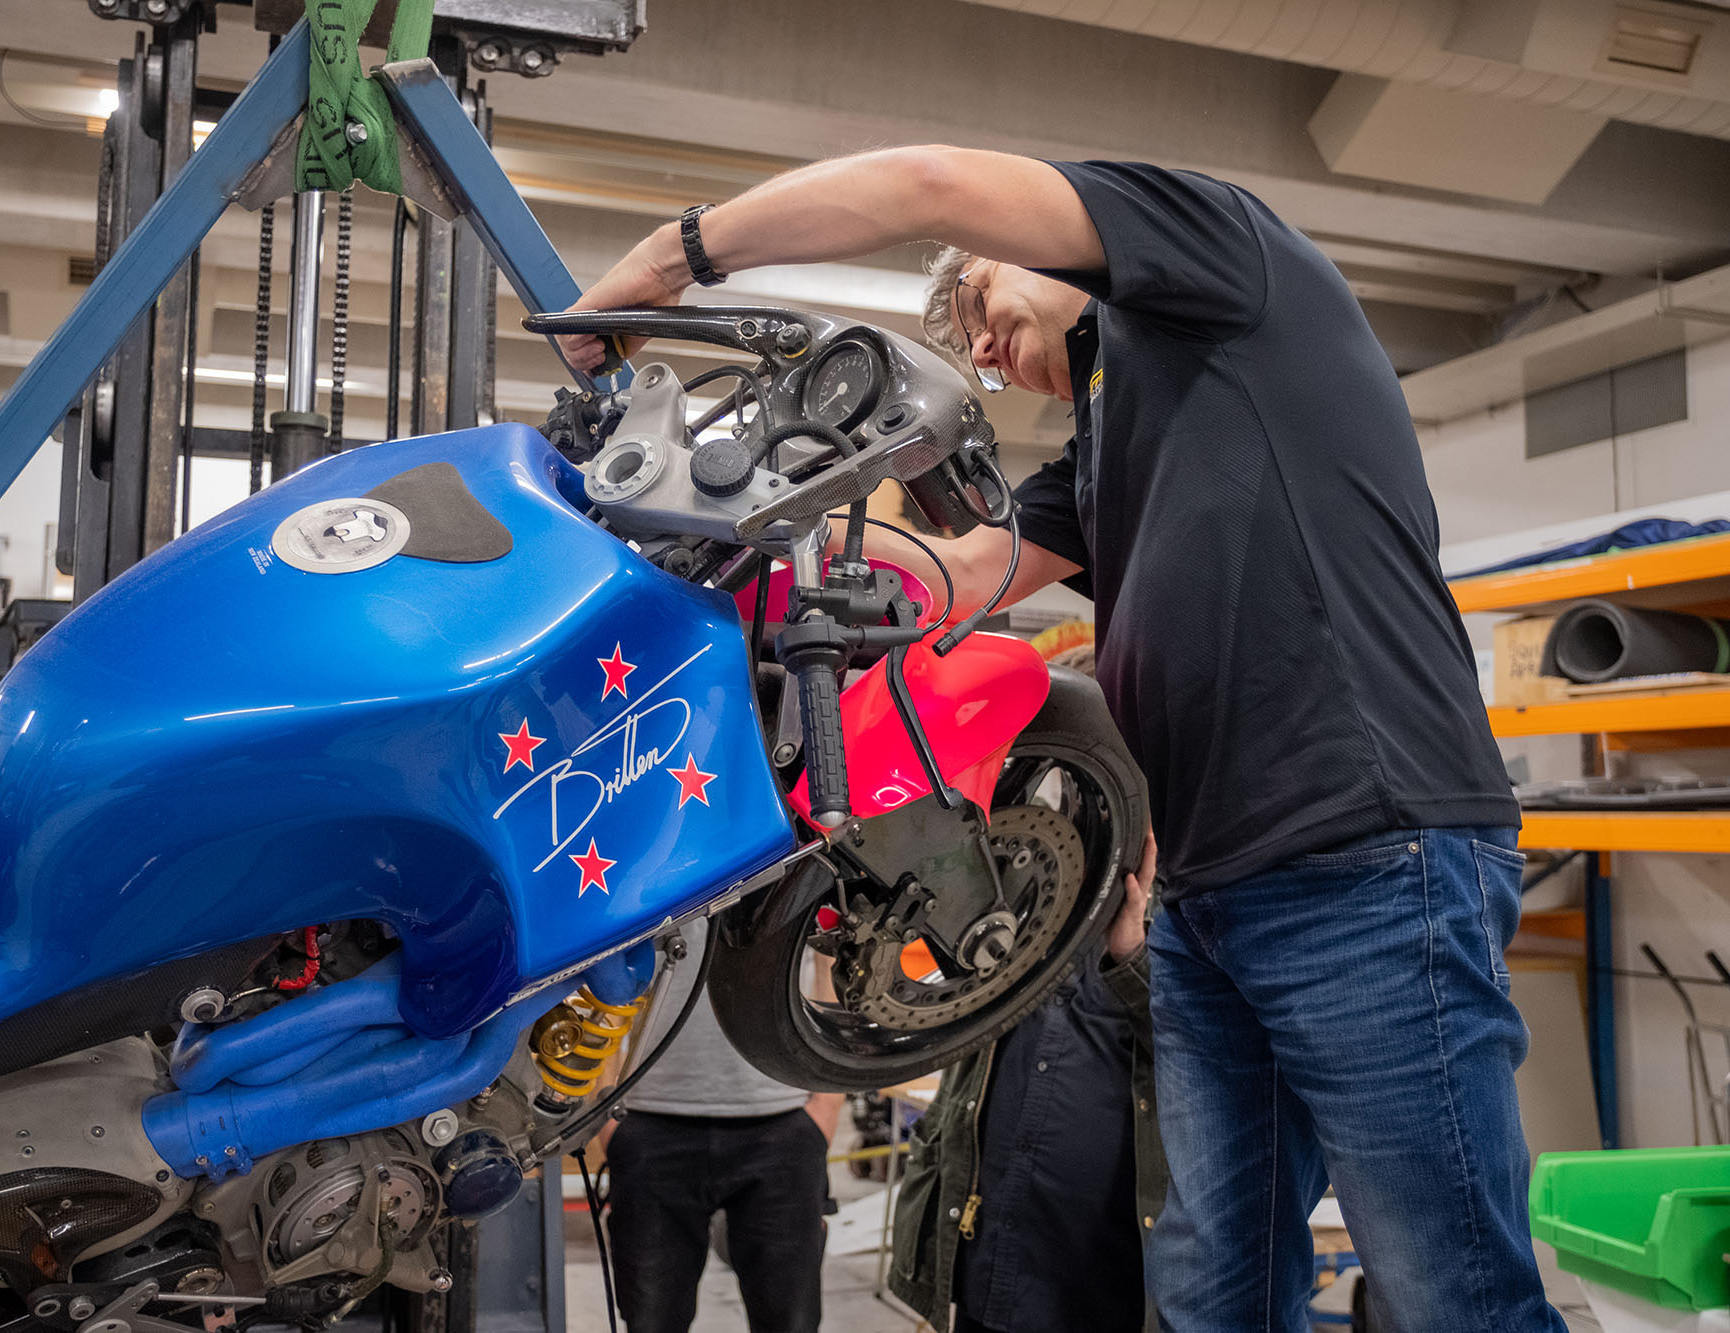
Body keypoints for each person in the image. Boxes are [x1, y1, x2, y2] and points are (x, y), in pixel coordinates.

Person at [562, 150, 1562, 1333]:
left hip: (1367, 855)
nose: (979, 351)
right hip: (1206, 895)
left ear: (1040, 251)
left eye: (977, 305)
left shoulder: (1220, 260)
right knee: (1209, 1283)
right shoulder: (1105, 445)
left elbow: (926, 181)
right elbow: (955, 575)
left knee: (1450, 1288)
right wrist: (705, 539)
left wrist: (668, 261)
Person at [892, 791, 1164, 1333]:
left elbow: (1203, 1054)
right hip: (987, 1250)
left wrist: (1131, 955)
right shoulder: (1018, 883)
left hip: (1096, 1277)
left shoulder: (1184, 904)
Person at [600, 919, 843, 1333]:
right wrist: (606, 1115)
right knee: (650, 1321)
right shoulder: (643, 859)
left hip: (781, 1127)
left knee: (790, 1321)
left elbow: (828, 961)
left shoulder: (797, 854)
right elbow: (604, 975)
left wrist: (826, 1106)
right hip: (652, 1125)